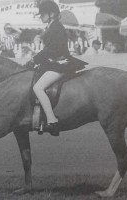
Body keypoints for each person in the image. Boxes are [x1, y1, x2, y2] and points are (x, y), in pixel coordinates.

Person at [26, 1, 87, 136]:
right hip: (53, 63)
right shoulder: (51, 27)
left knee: (38, 88)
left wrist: (33, 60)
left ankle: (52, 121)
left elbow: (51, 50)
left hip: (61, 63)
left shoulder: (56, 28)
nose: (40, 16)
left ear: (52, 14)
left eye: (43, 14)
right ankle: (40, 119)